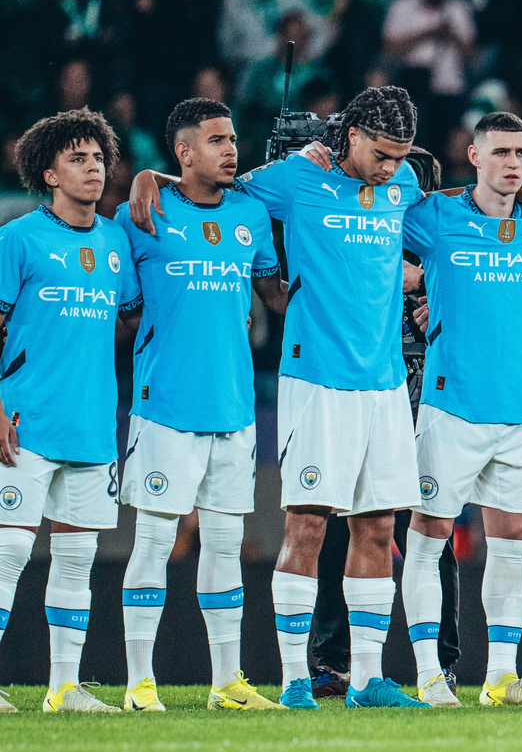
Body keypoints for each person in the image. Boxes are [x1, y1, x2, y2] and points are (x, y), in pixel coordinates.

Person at [130, 85, 428, 709]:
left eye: (402, 156)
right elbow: (212, 189)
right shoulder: (296, 179)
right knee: (309, 524)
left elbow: (448, 221)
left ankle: (368, 679)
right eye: (383, 153)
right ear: (351, 138)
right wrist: (148, 173)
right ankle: (295, 679)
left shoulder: (403, 187)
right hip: (316, 380)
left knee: (377, 528)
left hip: (385, 385)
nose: (392, 168)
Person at [114, 98, 287, 711]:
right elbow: (122, 309)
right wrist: (145, 177)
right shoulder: (143, 212)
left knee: (223, 545)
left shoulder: (251, 211)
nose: (231, 148)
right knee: (154, 544)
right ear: (183, 153)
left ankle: (227, 683)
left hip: (235, 408)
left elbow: (272, 295)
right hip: (164, 406)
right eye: (216, 140)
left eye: (233, 138)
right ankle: (139, 683)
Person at [397, 111, 522, 707]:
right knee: (429, 534)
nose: (513, 164)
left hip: (519, 409)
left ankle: (502, 677)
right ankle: (429, 675)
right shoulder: (437, 217)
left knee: (512, 537)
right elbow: (371, 223)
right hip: (451, 405)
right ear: (474, 156)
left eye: (521, 153)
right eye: (500, 153)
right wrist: (419, 289)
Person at [0, 110, 135, 714]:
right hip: (25, 423)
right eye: (78, 159)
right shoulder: (18, 238)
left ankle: (64, 686)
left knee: (77, 559)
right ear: (49, 172)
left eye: (99, 158)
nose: (92, 168)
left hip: (92, 426)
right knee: (7, 554)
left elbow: (135, 315)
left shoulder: (115, 240)